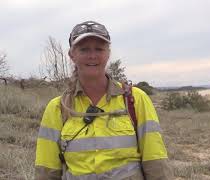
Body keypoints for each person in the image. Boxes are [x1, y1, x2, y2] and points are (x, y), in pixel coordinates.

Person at [35, 20, 173, 180]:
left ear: (108, 53)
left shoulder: (135, 100)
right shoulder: (58, 108)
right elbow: (47, 171)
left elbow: (156, 162)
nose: (92, 55)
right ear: (72, 55)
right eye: (84, 49)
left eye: (99, 49)